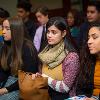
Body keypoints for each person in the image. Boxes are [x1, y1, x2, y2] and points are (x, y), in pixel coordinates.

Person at [33, 17, 80, 100]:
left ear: (63, 33)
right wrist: (39, 76)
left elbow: (65, 88)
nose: (49, 35)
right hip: (45, 95)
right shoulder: (46, 52)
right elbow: (45, 75)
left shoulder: (71, 57)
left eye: (54, 32)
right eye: (48, 32)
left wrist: (45, 78)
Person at [0, 17, 39, 100]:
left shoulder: (27, 48)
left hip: (23, 84)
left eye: (7, 29)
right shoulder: (5, 46)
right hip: (9, 80)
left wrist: (6, 90)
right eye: (3, 28)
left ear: (16, 30)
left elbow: (27, 76)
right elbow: (3, 71)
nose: (3, 32)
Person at [76, 22, 100, 100]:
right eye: (88, 37)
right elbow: (80, 87)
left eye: (94, 37)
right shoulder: (88, 59)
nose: (89, 42)